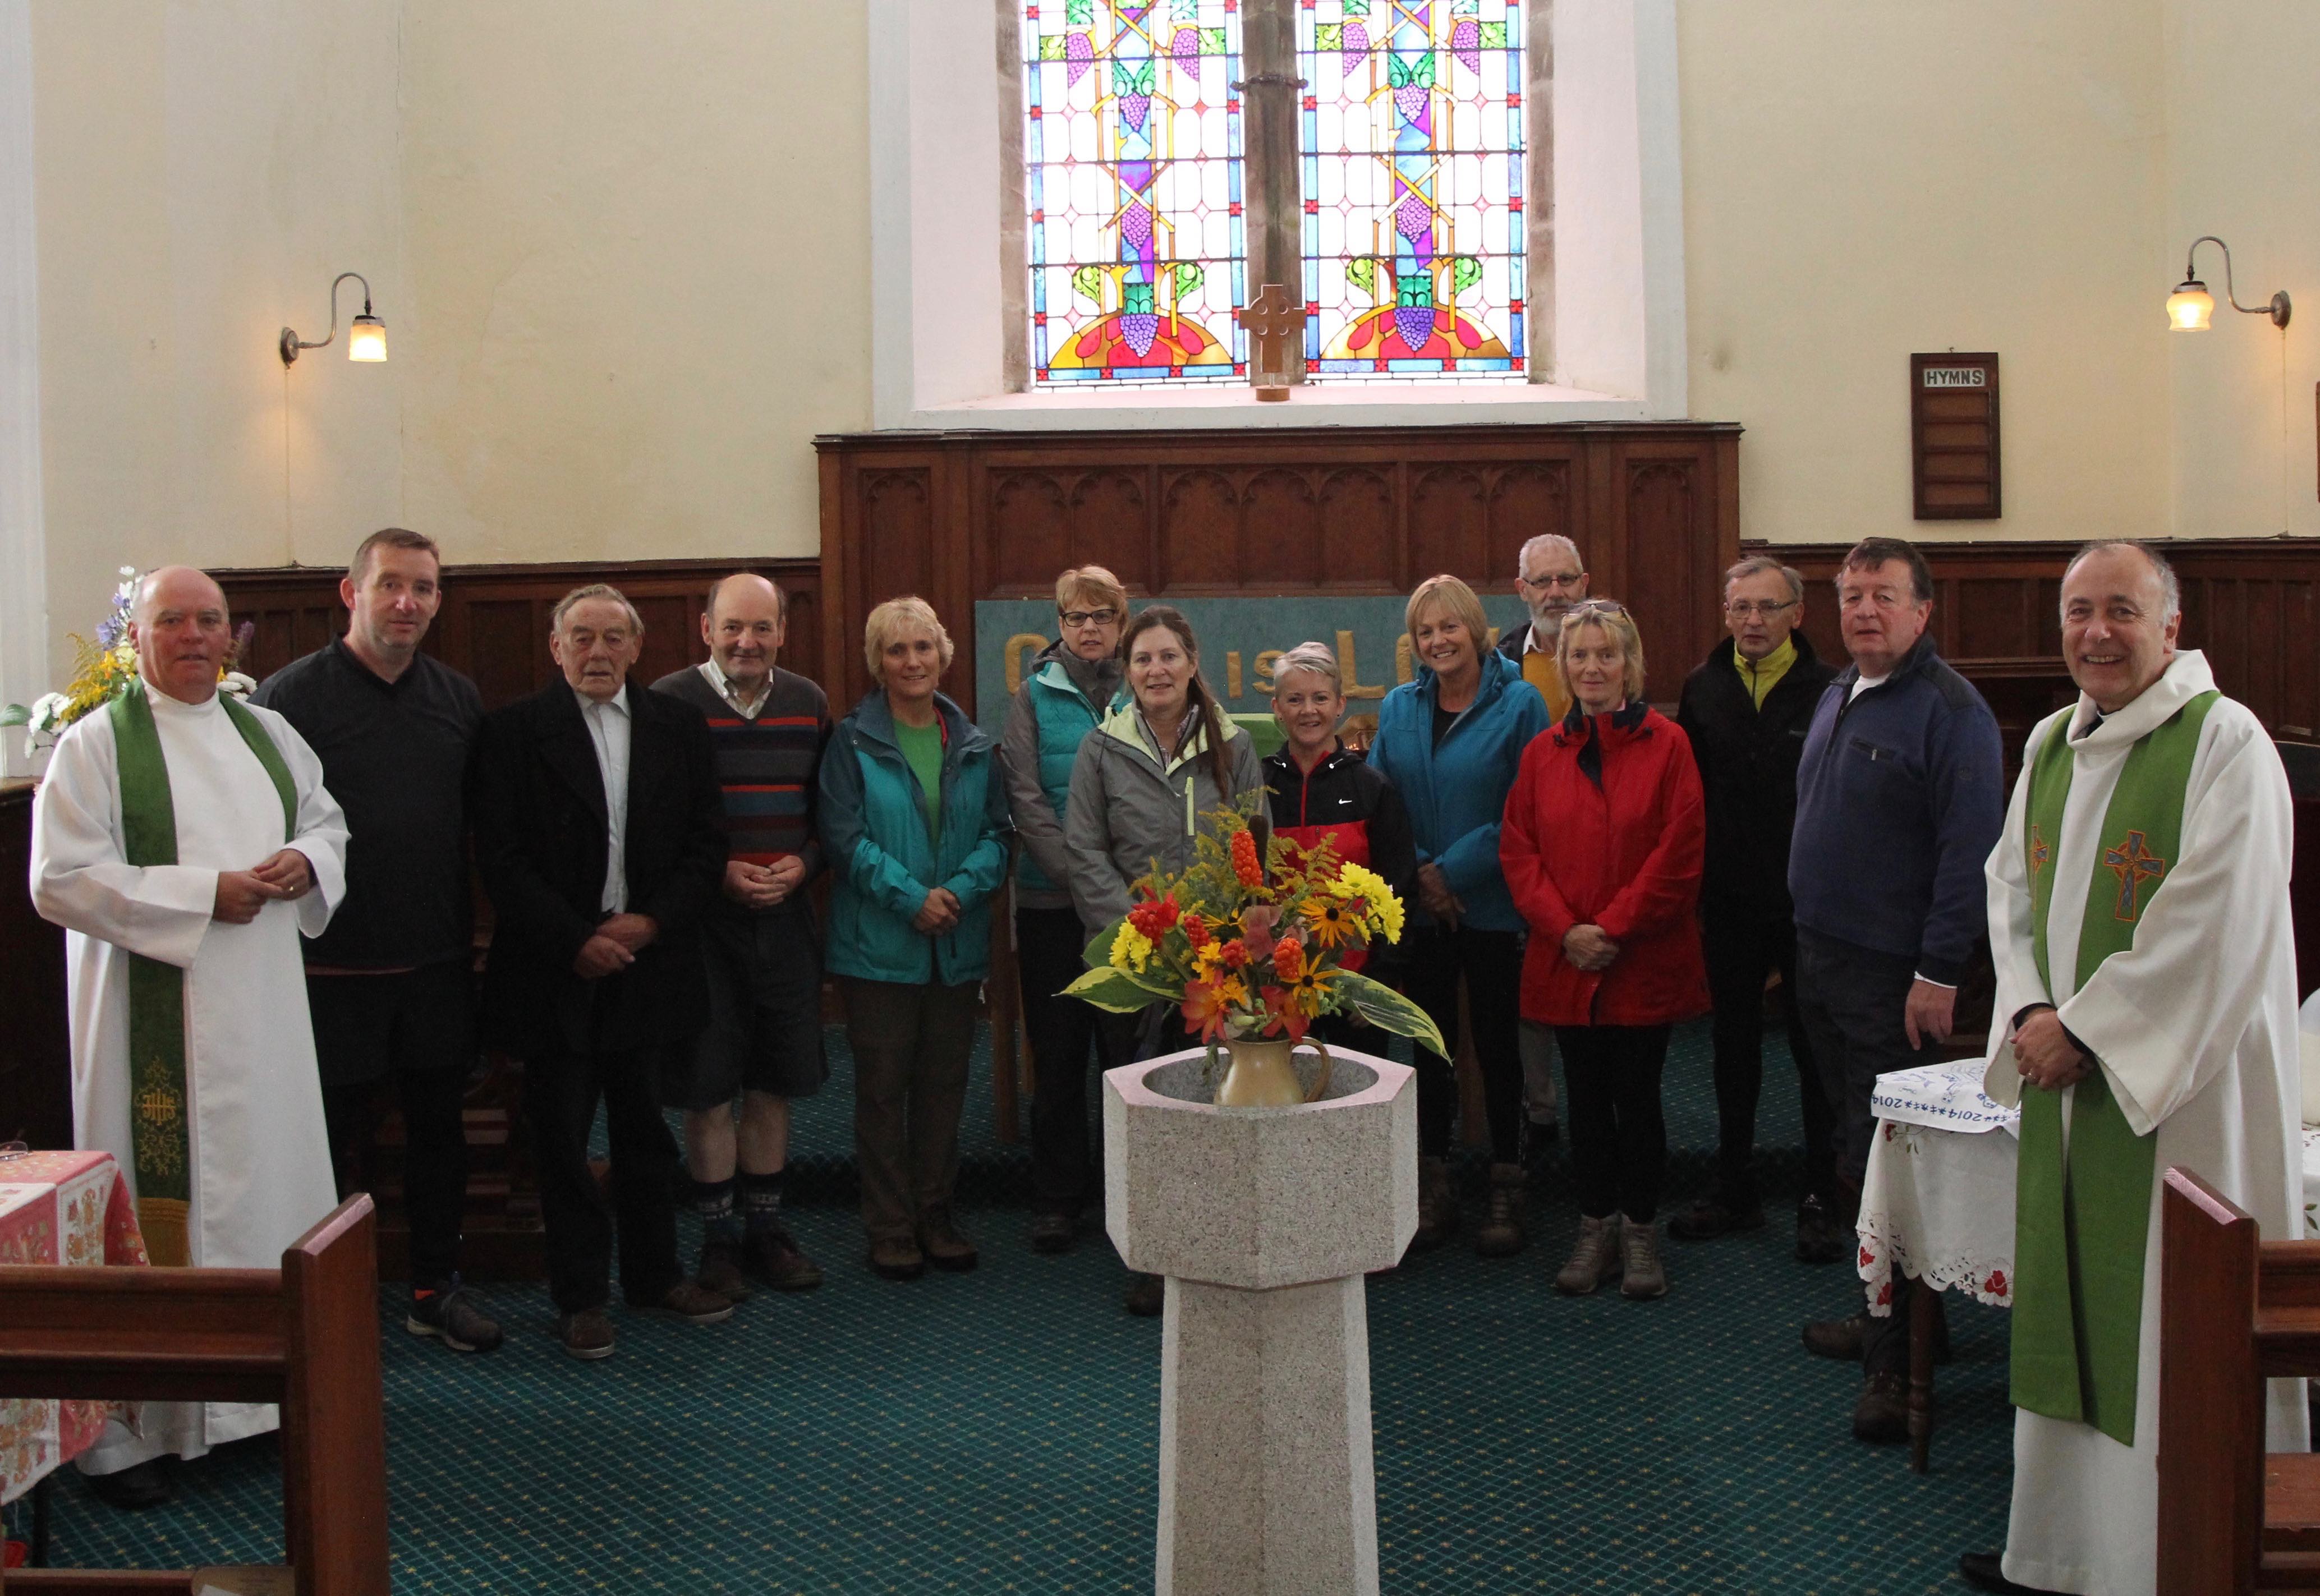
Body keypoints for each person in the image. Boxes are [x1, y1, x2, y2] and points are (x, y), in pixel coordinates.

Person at [1958, 542, 2306, 1596]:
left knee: (2176, 1318)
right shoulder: (2056, 743)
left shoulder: (2226, 742)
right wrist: (2027, 1009)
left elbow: (2215, 921)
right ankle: (2064, 1552)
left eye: (2121, 610)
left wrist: (2090, 1033)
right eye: (2078, 611)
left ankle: (2180, 1553)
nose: (2096, 632)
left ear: (2172, 625)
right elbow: (2009, 888)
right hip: (2073, 1078)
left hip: (2185, 1091)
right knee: (2079, 1298)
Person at [30, 565, 349, 1507]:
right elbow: (57, 881)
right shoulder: (94, 748)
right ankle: (138, 1435)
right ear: (138, 636)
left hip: (263, 1023)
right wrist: (203, 893)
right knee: (149, 1203)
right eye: (173, 620)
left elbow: (327, 821)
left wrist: (305, 859)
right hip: (147, 1026)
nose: (196, 636)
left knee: (269, 1194)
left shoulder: (269, 733)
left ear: (230, 636)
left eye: (211, 621)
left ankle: (258, 1407)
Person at [251, 527, 501, 1356]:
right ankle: (325, 1303)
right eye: (391, 584)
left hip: (431, 960)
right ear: (350, 592)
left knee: (439, 1138)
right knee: (327, 1143)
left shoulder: (457, 697)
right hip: (330, 967)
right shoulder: (288, 701)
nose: (408, 602)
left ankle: (435, 1289)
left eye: (425, 588)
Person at [471, 584, 733, 1360]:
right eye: (581, 637)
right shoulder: (512, 733)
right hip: (555, 970)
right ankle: (581, 1296)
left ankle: (655, 1276)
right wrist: (574, 939)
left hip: (650, 962)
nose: (597, 651)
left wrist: (648, 922)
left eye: (613, 637)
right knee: (561, 1137)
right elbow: (501, 859)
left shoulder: (678, 727)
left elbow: (705, 844)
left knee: (646, 1134)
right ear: (556, 648)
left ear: (636, 646)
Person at [1790, 537, 2003, 1442]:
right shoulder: (1844, 688)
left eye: (1882, 595)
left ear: (1923, 611)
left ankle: (1892, 1366)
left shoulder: (1952, 713)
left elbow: (1972, 856)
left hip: (1894, 975)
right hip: (1824, 960)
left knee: (1887, 1160)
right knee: (1854, 1152)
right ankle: (1907, 1322)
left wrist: (1938, 971)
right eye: (1850, 595)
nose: (1863, 610)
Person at [1501, 601, 1706, 1300]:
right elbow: (1519, 853)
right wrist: (1567, 931)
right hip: (1566, 959)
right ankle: (1594, 1227)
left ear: (1630, 665)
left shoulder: (1668, 744)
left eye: (1606, 655)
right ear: (1562, 668)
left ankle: (1641, 1232)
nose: (1592, 667)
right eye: (1580, 656)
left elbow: (1677, 854)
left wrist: (1610, 929)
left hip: (1639, 958)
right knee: (1585, 1103)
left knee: (1638, 1099)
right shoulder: (1539, 754)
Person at [1063, 603, 1264, 1314]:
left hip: (1214, 960)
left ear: (1192, 663)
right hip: (1135, 956)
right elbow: (1084, 848)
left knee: (1210, 1097)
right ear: (1128, 670)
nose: (1156, 670)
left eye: (1168, 657)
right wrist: (1139, 933)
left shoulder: (1233, 745)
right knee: (1142, 1102)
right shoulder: (1101, 747)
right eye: (1143, 659)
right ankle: (1148, 1252)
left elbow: (1252, 846)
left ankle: (1214, 1241)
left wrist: (1212, 940)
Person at [649, 573, 831, 1300]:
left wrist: (805, 864)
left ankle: (765, 1228)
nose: (746, 642)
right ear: (705, 629)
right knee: (706, 1086)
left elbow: (826, 816)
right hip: (703, 925)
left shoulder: (807, 701)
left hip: (785, 920)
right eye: (732, 628)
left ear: (782, 631)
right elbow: (654, 822)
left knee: (771, 1079)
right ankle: (718, 1237)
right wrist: (716, 872)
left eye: (761, 629)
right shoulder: (668, 702)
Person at [819, 597, 1010, 1283]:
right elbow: (844, 839)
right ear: (878, 661)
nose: (912, 661)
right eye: (897, 650)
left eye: (923, 647)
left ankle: (935, 1215)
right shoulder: (850, 742)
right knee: (880, 1091)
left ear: (943, 654)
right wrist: (911, 898)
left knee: (943, 1086)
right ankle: (890, 1225)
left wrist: (957, 891)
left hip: (954, 943)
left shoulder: (974, 743)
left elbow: (999, 834)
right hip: (879, 947)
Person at [1368, 574, 1551, 1257]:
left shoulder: (1522, 701)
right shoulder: (1398, 708)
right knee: (1430, 1043)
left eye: (1449, 627)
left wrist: (1454, 870)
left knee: (1499, 1046)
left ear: (1475, 629)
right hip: (1421, 908)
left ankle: (1509, 1177)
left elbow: (1528, 805)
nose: (1438, 641)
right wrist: (1420, 870)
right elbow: (1382, 800)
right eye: (1425, 631)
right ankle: (1433, 1179)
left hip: (1496, 901)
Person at [1669, 555, 1842, 1261]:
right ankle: (1733, 1182)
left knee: (1810, 1049)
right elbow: (1689, 799)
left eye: (1767, 608)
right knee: (1731, 1047)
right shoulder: (1702, 688)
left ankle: (1820, 1193)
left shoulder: (1833, 690)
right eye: (1740, 607)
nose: (1752, 621)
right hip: (1730, 901)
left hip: (1808, 905)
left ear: (1797, 615)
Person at [999, 565, 1128, 1256]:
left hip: (1130, 913)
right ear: (1058, 622)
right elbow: (1025, 799)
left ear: (1120, 622)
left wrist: (1115, 896)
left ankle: (1127, 1195)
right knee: (1056, 1053)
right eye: (1076, 616)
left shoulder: (1146, 687)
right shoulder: (1031, 697)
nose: (1088, 628)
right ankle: (1056, 1198)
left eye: (1101, 616)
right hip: (1053, 904)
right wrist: (1085, 885)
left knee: (1124, 1053)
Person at [1261, 639, 1418, 1039]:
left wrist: (1377, 983)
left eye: (1319, 698)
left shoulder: (1372, 787)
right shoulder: (1259, 786)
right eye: (1294, 699)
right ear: (1276, 707)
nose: (1308, 710)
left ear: (1340, 704)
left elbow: (1399, 888)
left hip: (1355, 989)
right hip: (1278, 985)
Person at [1500, 533, 1591, 1146]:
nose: (1555, 593)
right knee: (1529, 992)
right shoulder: (1500, 661)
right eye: (1543, 582)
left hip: (1597, 852)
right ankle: (1540, 1113)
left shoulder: (1610, 650)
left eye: (1566, 580)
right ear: (1522, 590)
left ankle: (1593, 1107)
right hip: (1528, 852)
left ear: (1584, 583)